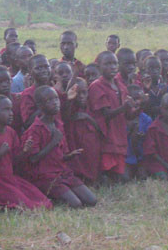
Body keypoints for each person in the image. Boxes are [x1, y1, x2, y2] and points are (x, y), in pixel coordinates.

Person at [0, 95, 52, 210]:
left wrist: (24, 152)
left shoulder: (10, 132)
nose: (11, 113)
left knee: (43, 202)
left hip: (9, 178)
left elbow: (13, 160)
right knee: (27, 206)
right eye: (6, 109)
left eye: (11, 109)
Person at [22, 86, 97, 208]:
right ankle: (50, 195)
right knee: (76, 204)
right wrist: (53, 142)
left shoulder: (58, 124)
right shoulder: (35, 129)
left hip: (63, 173)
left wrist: (69, 156)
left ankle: (62, 192)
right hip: (46, 176)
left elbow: (61, 155)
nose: (55, 103)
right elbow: (33, 159)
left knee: (91, 201)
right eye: (49, 100)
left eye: (56, 99)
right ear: (40, 106)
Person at [89, 51, 138, 181]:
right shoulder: (96, 86)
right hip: (105, 138)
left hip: (119, 137)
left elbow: (128, 115)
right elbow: (105, 115)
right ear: (98, 66)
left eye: (115, 63)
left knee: (123, 178)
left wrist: (140, 105)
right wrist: (124, 107)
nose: (112, 67)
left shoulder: (120, 85)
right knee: (108, 175)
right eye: (107, 64)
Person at [63, 78, 102, 184]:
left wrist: (86, 117)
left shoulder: (92, 105)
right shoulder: (69, 107)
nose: (81, 96)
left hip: (91, 141)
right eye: (77, 93)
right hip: (74, 141)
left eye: (84, 92)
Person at [19, 54, 54, 130]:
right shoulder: (28, 94)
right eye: (38, 68)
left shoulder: (54, 90)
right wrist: (46, 104)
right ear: (30, 71)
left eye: (46, 66)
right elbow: (27, 122)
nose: (44, 70)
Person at [125, 84, 152, 178]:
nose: (136, 102)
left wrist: (143, 136)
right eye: (133, 99)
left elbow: (150, 139)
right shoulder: (122, 118)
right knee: (125, 178)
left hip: (141, 156)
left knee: (143, 176)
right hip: (126, 157)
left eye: (138, 99)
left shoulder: (146, 119)